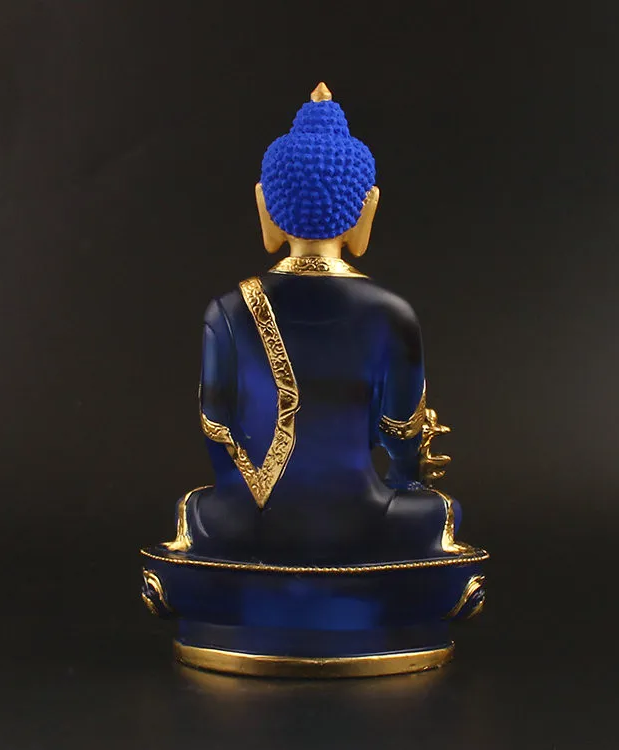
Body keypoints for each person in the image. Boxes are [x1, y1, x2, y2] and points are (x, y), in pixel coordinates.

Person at [166, 83, 462, 565]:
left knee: (193, 510)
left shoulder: (227, 310)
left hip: (253, 519)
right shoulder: (392, 313)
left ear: (265, 206)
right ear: (367, 208)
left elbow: (218, 431)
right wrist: (412, 477)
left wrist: (248, 501)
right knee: (438, 513)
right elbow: (399, 436)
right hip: (362, 515)